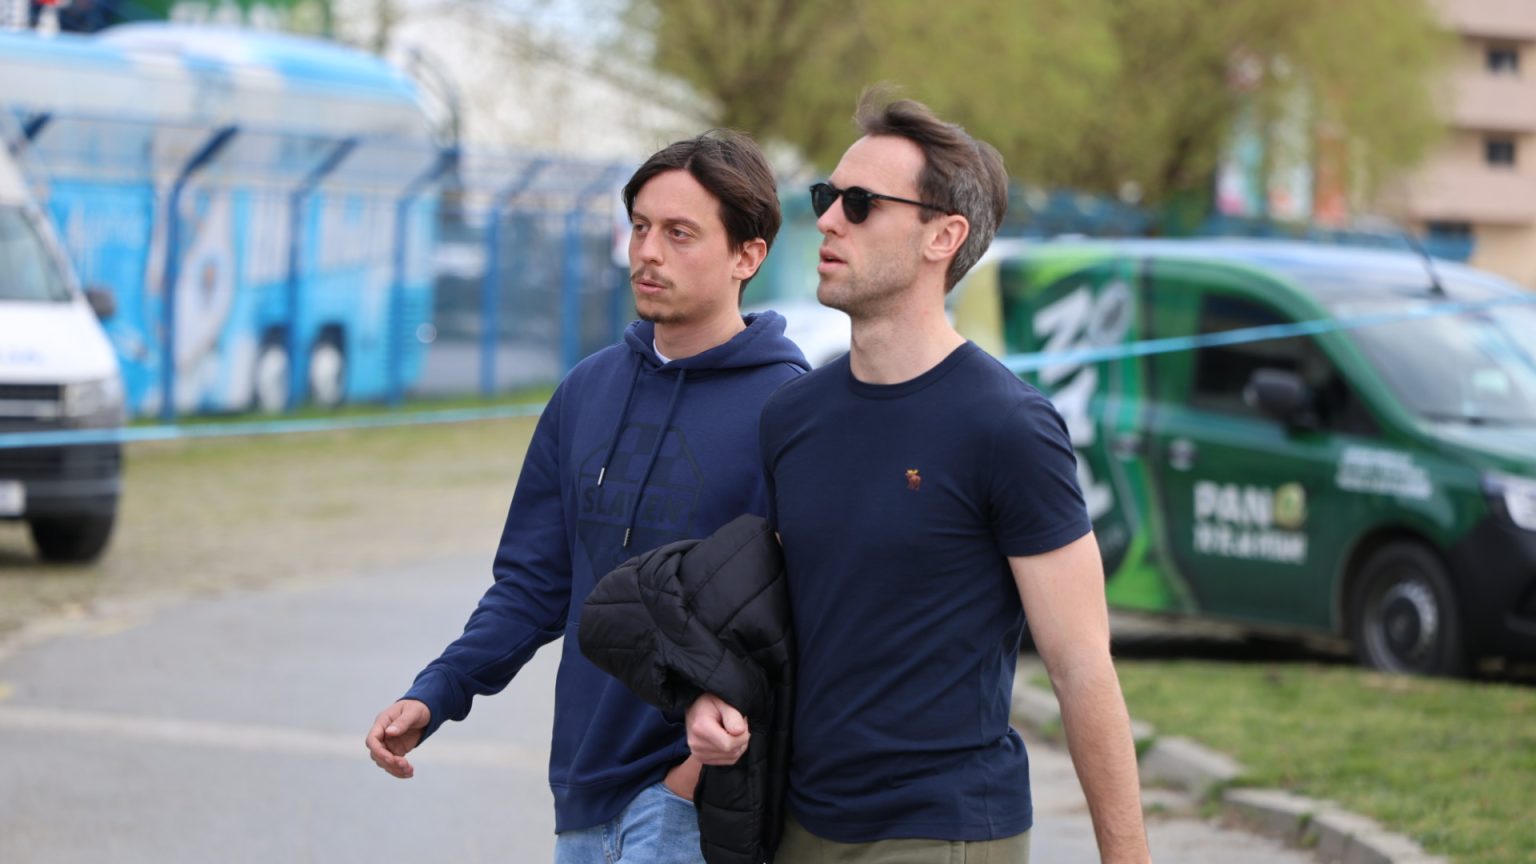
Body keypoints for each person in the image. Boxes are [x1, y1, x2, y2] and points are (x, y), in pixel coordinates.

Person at [687, 92, 1153, 863]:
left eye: (860, 203)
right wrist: (713, 697)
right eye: (826, 196)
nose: (828, 220)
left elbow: (1080, 666)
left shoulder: (1008, 426)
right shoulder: (793, 416)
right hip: (800, 822)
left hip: (942, 827)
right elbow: (780, 621)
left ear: (944, 236)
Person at [365, 129, 809, 864]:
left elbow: (798, 627)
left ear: (747, 255)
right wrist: (438, 690)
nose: (647, 253)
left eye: (679, 233)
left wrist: (689, 781)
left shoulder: (788, 411)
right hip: (579, 792)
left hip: (696, 802)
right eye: (639, 227)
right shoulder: (586, 392)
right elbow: (533, 585)